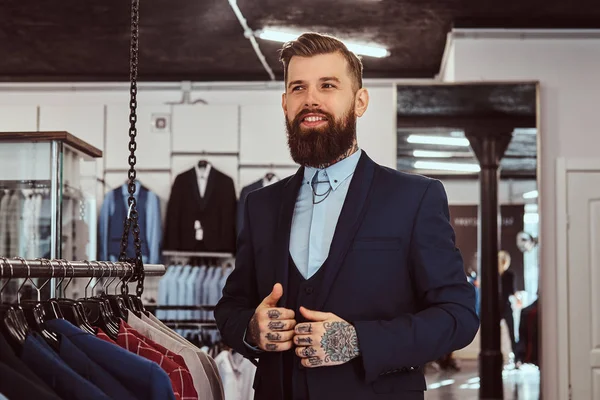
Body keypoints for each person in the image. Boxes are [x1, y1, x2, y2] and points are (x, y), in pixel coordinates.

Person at [214, 32, 479, 400]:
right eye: (298, 88)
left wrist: (358, 341)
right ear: (285, 103)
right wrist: (252, 329)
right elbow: (231, 307)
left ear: (359, 101)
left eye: (328, 85)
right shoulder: (261, 205)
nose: (311, 100)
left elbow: (458, 315)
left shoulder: (414, 197)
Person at [498, 250, 521, 360]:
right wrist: (517, 299)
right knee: (511, 333)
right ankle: (516, 358)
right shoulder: (507, 275)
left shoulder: (499, 275)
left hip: (500, 307)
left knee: (506, 333)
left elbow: (512, 290)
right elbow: (513, 290)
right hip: (503, 306)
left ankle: (514, 357)